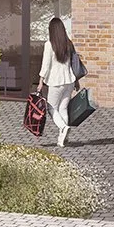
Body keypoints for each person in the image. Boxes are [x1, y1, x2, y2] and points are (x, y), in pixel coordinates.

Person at [38, 17, 80, 147]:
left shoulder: (49, 45)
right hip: (69, 80)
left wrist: (40, 82)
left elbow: (45, 65)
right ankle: (62, 139)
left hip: (56, 82)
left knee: (51, 108)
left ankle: (63, 127)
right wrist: (77, 81)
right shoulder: (68, 43)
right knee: (63, 108)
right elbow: (74, 64)